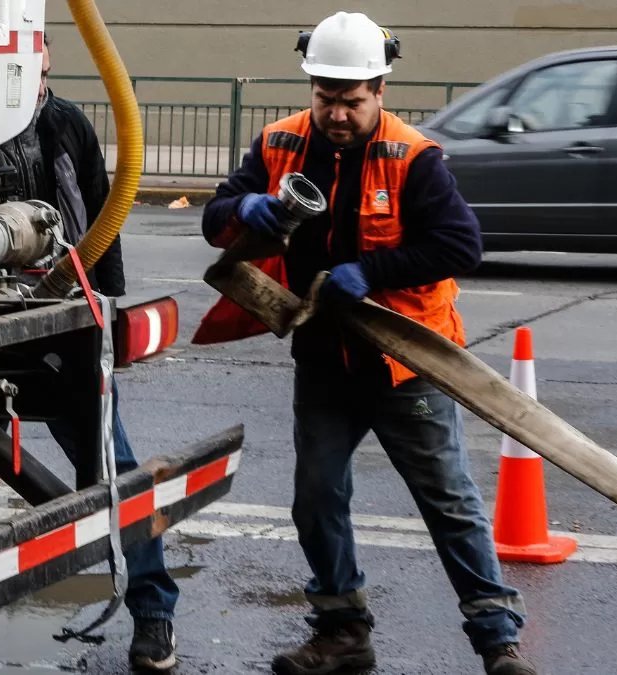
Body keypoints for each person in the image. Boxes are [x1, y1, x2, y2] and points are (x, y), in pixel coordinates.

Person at [192, 12, 538, 675]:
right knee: (317, 496)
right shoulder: (278, 144)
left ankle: (499, 641)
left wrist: (373, 272)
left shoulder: (414, 157)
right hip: (323, 360)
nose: (338, 115)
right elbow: (214, 215)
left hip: (404, 361)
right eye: (326, 98)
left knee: (450, 501)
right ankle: (343, 631)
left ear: (380, 89)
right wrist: (244, 210)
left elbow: (461, 244)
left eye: (352, 101)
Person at [0, 33, 182, 672]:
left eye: (37, 68)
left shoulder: (66, 123)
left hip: (64, 322)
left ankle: (155, 613)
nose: (31, 83)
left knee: (116, 471)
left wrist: (110, 313)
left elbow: (102, 213)